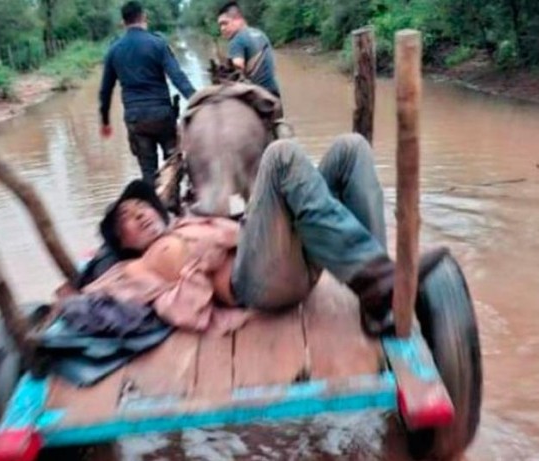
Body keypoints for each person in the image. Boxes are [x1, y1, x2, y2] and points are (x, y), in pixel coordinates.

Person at [80, 134, 446, 334]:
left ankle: (376, 292)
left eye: (141, 206)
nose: (140, 212)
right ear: (121, 242)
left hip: (286, 256)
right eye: (127, 216)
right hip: (255, 285)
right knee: (280, 155)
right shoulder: (137, 265)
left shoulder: (185, 222)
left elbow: (237, 223)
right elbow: (97, 295)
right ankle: (381, 283)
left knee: (351, 149)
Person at [99, 1, 197, 184]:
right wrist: (197, 100)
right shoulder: (157, 43)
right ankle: (177, 201)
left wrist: (105, 121)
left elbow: (105, 90)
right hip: (162, 116)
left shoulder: (113, 50)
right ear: (144, 17)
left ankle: (155, 203)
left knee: (148, 172)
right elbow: (178, 77)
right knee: (174, 163)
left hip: (136, 120)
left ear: (123, 22)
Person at [217, 1, 282, 99]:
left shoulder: (236, 40)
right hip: (274, 93)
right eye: (220, 25)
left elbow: (236, 71)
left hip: (258, 97)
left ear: (238, 19)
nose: (222, 28)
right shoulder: (260, 33)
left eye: (225, 23)